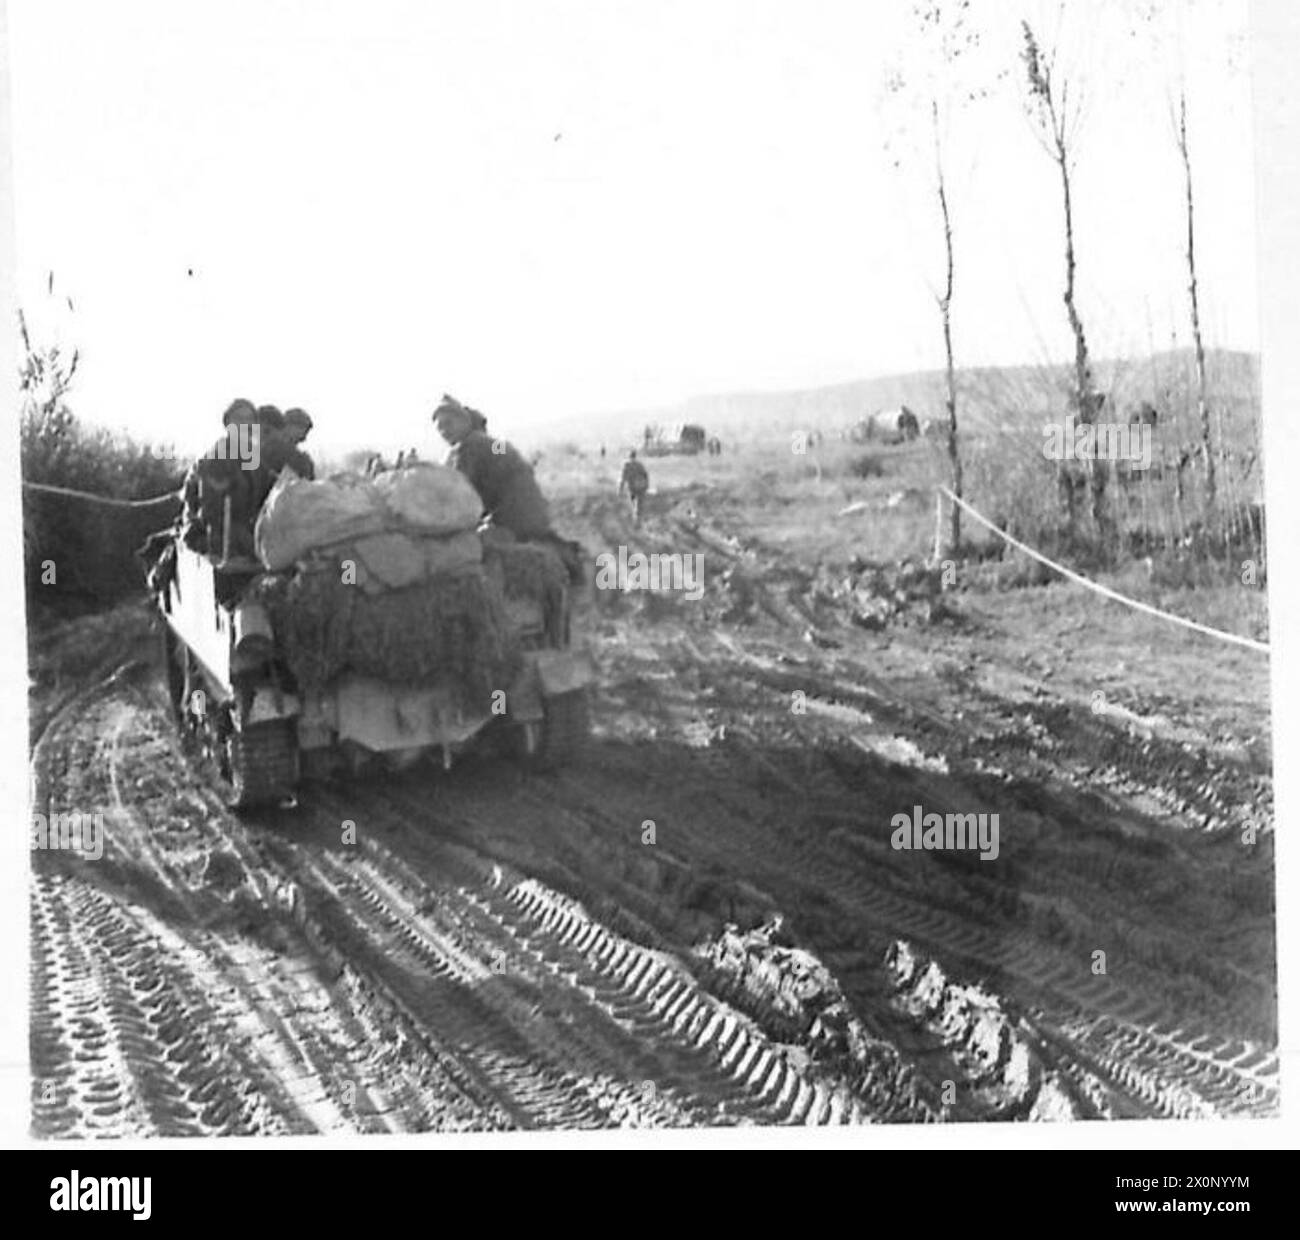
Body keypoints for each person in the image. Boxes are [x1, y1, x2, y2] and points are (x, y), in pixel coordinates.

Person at [432, 394, 553, 541]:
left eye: (448, 423)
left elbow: (459, 492)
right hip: (537, 515)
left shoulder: (469, 446)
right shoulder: (492, 443)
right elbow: (512, 457)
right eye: (440, 427)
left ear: (464, 421)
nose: (444, 431)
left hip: (512, 519)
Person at [619, 448, 649, 526]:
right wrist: (646, 485)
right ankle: (639, 520)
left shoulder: (627, 465)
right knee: (640, 504)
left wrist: (621, 489)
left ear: (629, 456)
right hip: (641, 486)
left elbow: (623, 478)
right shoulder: (640, 465)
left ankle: (634, 519)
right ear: (635, 456)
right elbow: (645, 475)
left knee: (632, 503)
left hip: (632, 487)